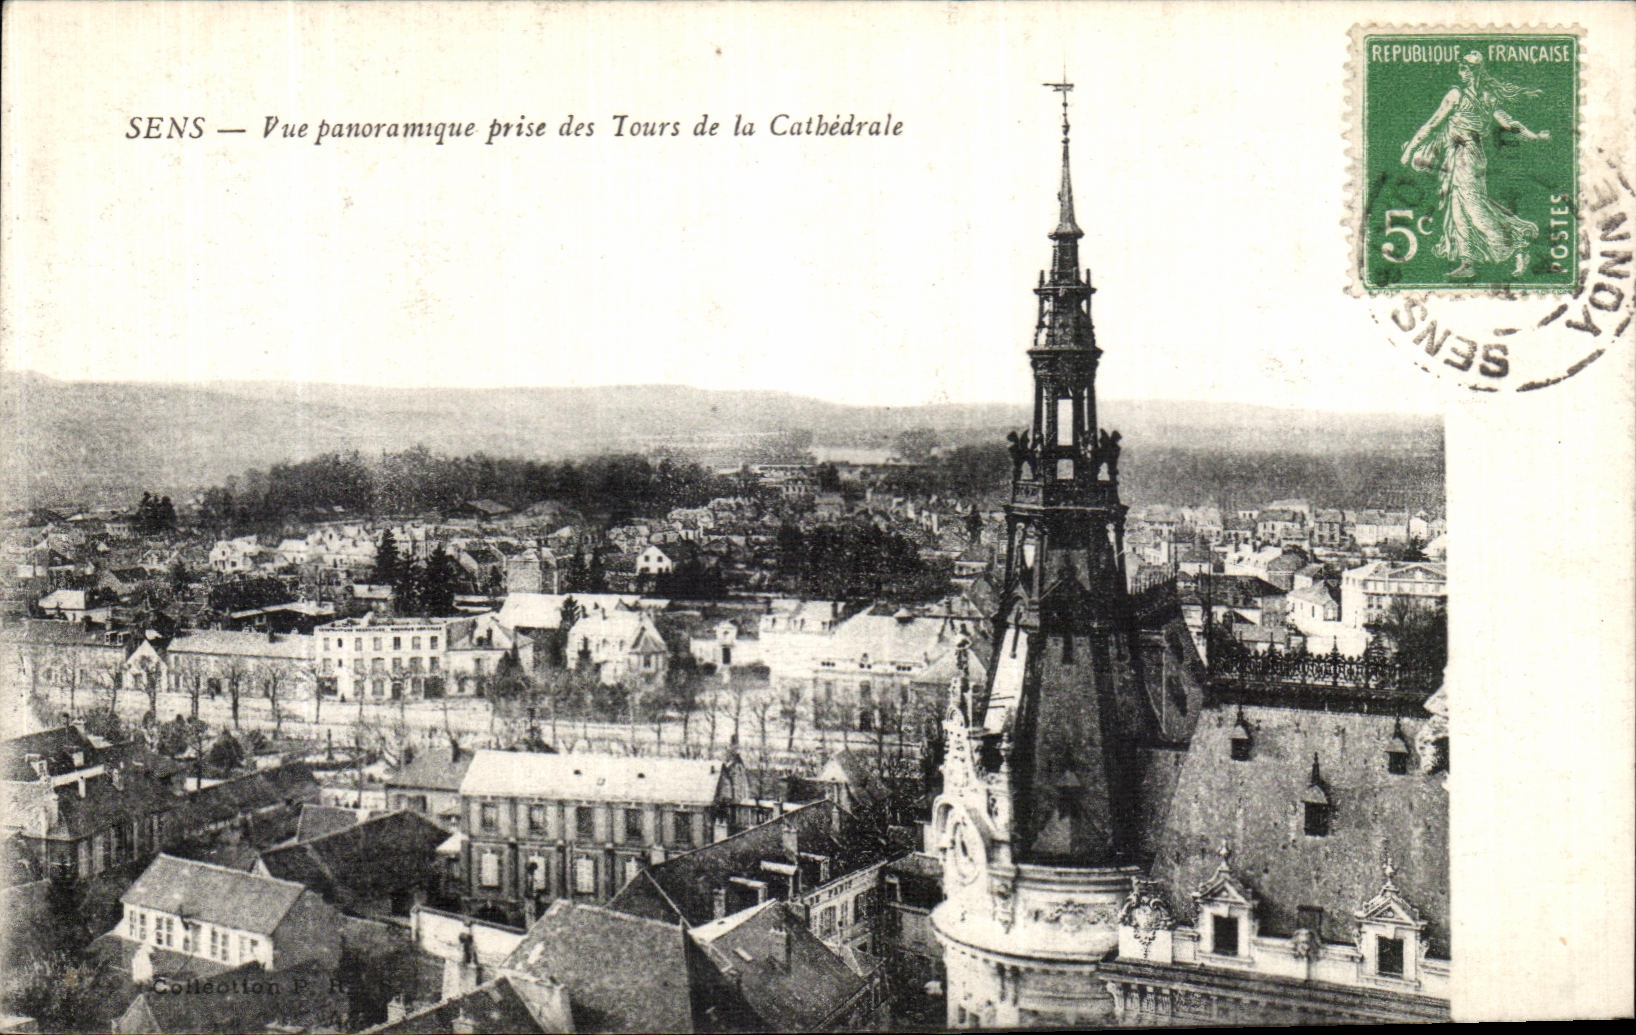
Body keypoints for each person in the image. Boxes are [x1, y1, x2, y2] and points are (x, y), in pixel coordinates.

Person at [1400, 52, 1550, 279]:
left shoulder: (1462, 95)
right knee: (1457, 208)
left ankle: (1519, 241)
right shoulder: (1483, 96)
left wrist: (1410, 150)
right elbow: (1510, 124)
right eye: (1462, 68)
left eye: (1465, 68)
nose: (1462, 73)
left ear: (1471, 71)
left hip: (1467, 156)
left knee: (1474, 208)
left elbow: (1432, 124)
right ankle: (1467, 262)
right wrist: (1535, 136)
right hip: (1459, 155)